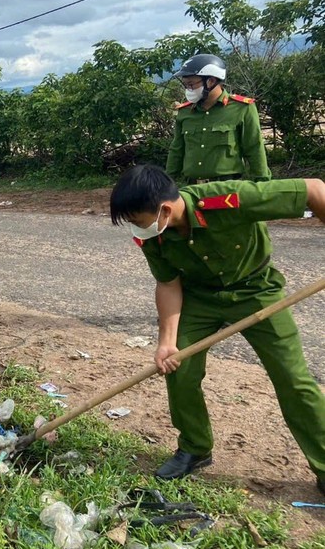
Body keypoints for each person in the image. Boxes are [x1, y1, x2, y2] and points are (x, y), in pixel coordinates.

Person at [109, 164, 325, 491]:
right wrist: (166, 343)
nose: (138, 230)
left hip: (257, 291)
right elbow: (168, 285)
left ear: (165, 210)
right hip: (200, 298)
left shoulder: (227, 200)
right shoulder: (154, 238)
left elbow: (314, 189)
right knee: (178, 367)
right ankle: (194, 448)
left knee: (293, 379)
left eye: (139, 221)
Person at [167, 54, 270, 184]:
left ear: (210, 81)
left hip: (228, 188)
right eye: (186, 85)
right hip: (192, 189)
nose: (188, 90)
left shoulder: (242, 108)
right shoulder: (185, 112)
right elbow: (177, 150)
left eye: (191, 84)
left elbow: (254, 147)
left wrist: (262, 183)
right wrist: (167, 184)